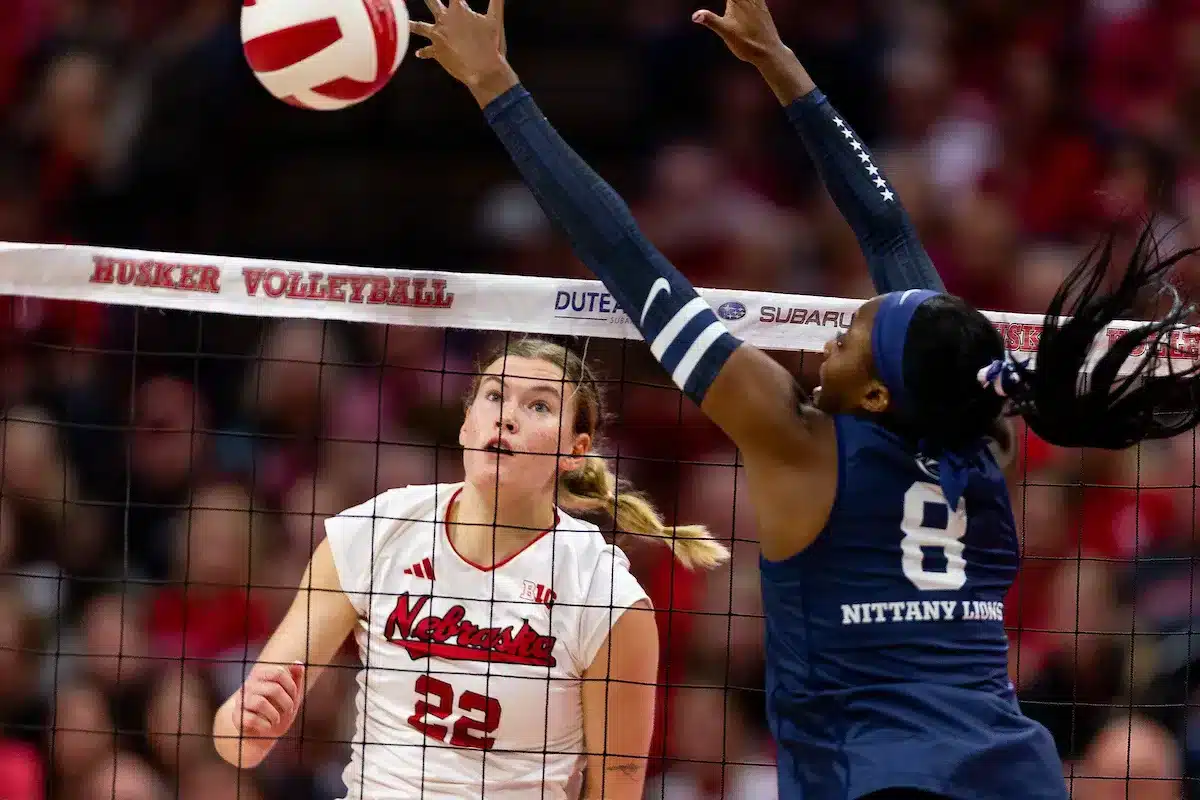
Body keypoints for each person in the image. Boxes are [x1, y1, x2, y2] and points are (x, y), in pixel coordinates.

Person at [409, 0, 1200, 797]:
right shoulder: (976, 419)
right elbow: (888, 233)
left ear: (882, 392)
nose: (829, 341)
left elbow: (626, 256)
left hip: (875, 780)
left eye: (849, 339)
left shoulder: (798, 437)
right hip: (1008, 770)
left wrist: (497, 87)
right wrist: (780, 62)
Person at [211, 337, 728, 799]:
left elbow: (617, 788)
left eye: (539, 406)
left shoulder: (605, 593)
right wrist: (246, 725)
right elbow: (237, 743)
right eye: (495, 396)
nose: (507, 417)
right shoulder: (375, 533)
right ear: (467, 423)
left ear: (575, 451)